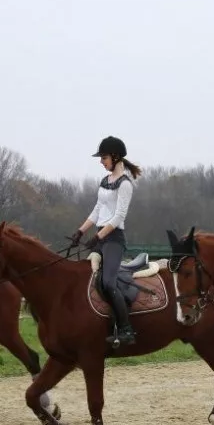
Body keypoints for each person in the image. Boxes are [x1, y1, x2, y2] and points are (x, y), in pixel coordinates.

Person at [70, 135, 143, 347]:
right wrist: (80, 232)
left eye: (103, 157)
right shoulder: (105, 182)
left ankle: (127, 330)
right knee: (86, 278)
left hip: (114, 240)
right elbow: (97, 210)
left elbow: (119, 216)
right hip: (101, 237)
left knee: (108, 283)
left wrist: (98, 236)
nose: (101, 161)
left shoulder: (125, 185)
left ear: (115, 156)